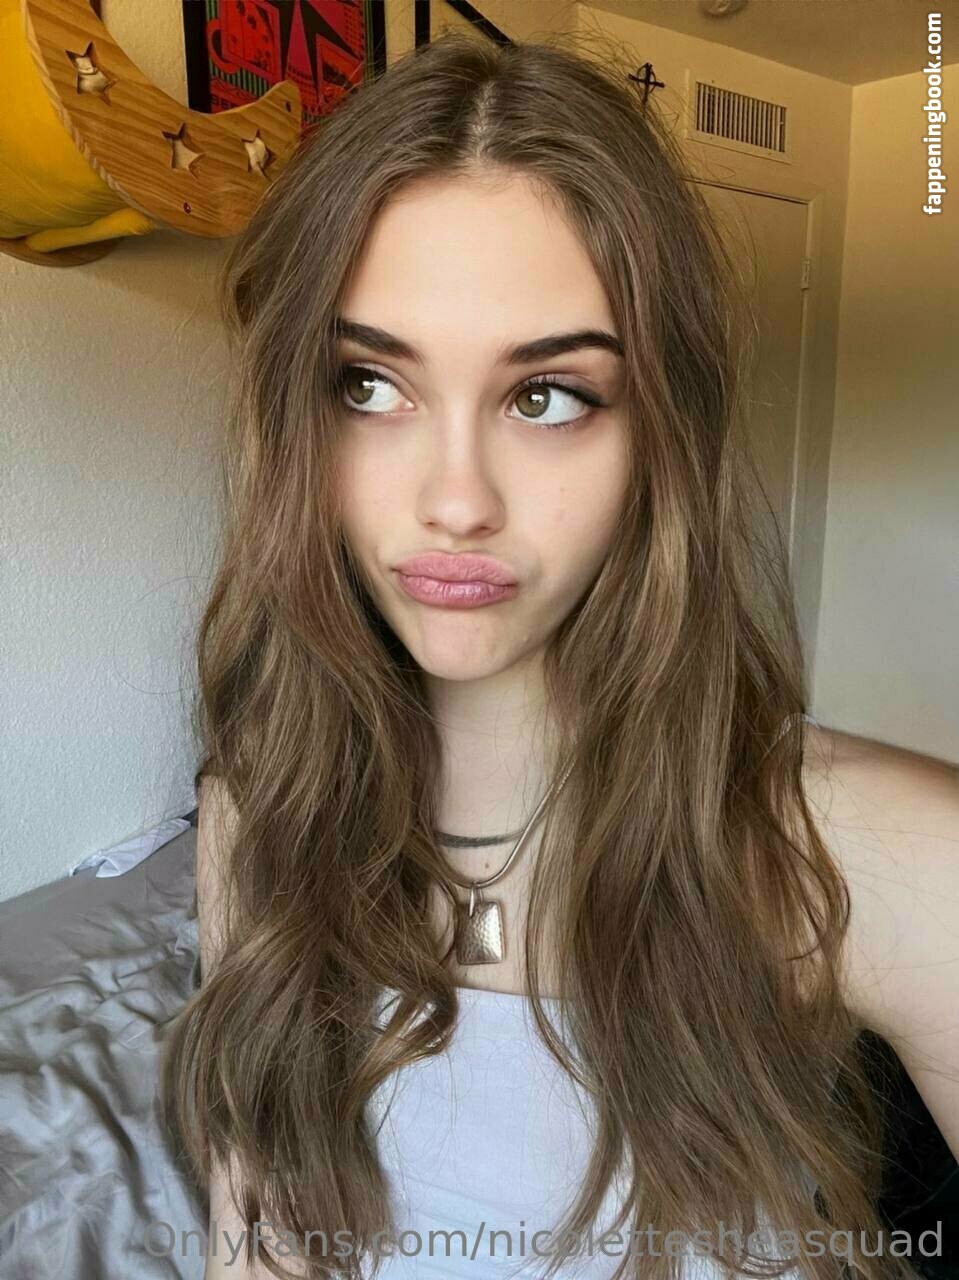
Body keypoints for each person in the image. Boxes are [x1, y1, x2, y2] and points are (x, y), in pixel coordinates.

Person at [159, 29, 959, 1280]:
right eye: (368, 385)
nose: (455, 500)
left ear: (660, 433)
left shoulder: (877, 851)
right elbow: (258, 1251)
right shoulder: (256, 819)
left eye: (545, 396)